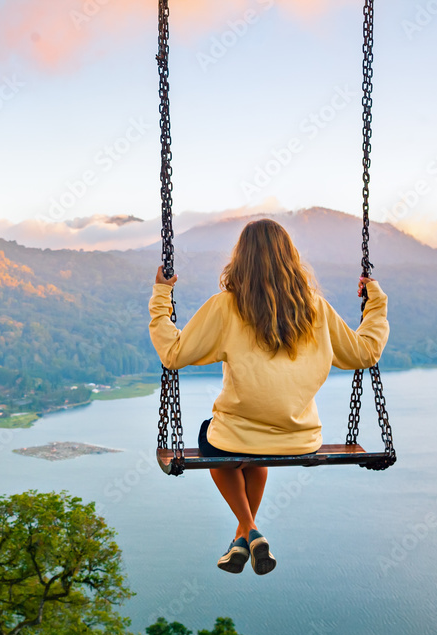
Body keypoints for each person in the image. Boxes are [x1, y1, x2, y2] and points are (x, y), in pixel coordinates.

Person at [148, 218, 389, 575]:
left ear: (240, 259)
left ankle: (248, 531)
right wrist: (376, 304)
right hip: (300, 440)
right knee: (252, 452)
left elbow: (173, 353)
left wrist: (161, 295)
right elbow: (365, 352)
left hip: (238, 438)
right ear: (290, 259)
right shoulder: (315, 309)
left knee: (216, 441)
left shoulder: (227, 306)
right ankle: (244, 536)